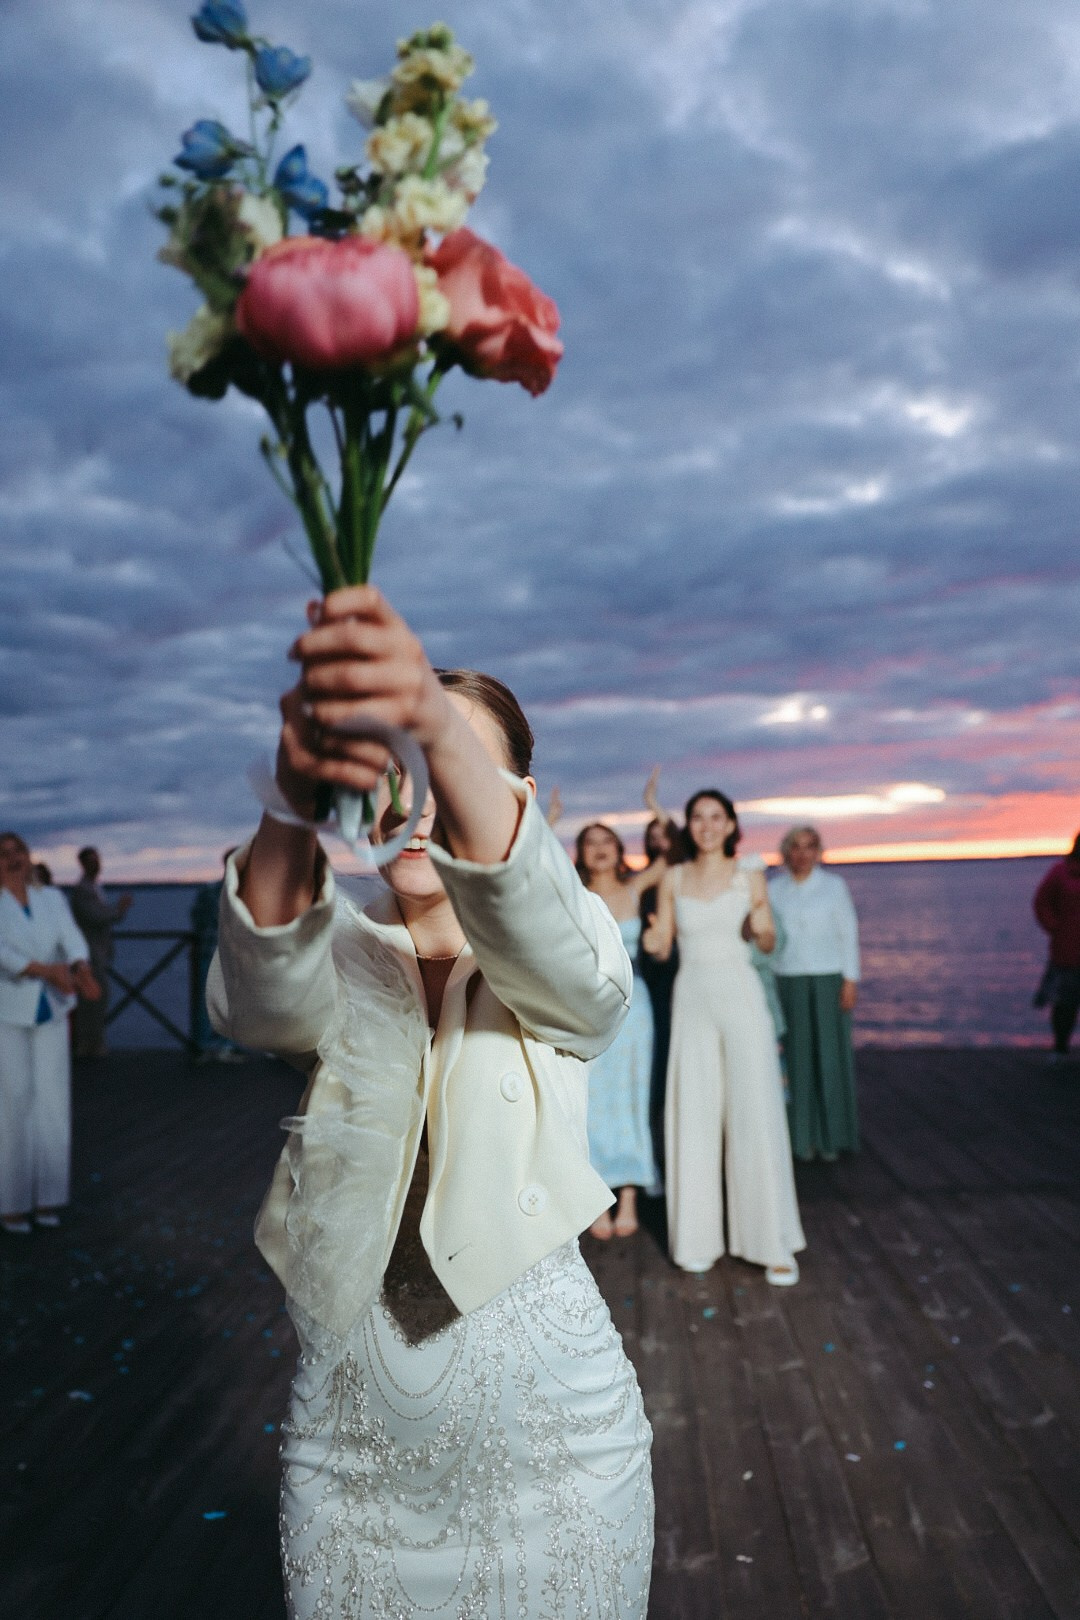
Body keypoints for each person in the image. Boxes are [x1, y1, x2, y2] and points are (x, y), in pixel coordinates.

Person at [207, 587, 654, 1619]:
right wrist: (288, 797)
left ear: (519, 798)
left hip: (558, 1455)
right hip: (349, 1461)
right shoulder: (342, 946)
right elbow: (258, 999)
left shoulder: (572, 930)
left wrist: (428, 713)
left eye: (446, 764)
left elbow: (556, 959)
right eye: (396, 770)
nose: (417, 802)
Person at [645, 791, 804, 1285]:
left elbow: (769, 939)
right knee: (693, 1112)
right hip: (691, 999)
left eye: (717, 817)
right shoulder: (672, 878)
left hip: (740, 997)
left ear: (731, 824)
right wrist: (652, 943)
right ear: (688, 825)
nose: (707, 825)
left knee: (753, 1110)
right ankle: (695, 1238)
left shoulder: (749, 872)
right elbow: (663, 944)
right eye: (698, 817)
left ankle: (771, 1242)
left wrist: (762, 930)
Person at [0, 831, 100, 1234]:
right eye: (3, 854)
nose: (12, 859)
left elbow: (71, 937)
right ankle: (11, 1202)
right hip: (8, 1011)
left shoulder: (51, 898)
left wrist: (82, 968)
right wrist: (45, 971)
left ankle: (47, 1198)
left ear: (28, 856)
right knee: (14, 1103)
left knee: (53, 1104)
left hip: (53, 1009)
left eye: (18, 851)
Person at [574, 822, 662, 1239]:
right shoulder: (571, 894)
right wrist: (548, 820)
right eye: (590, 843)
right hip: (588, 1008)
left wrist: (658, 813)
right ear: (580, 853)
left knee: (631, 1095)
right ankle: (596, 1199)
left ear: (620, 848)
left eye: (607, 841)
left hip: (634, 1009)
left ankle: (628, 1193)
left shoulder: (634, 888)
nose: (600, 849)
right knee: (589, 1100)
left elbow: (673, 859)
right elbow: (529, 861)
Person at [769, 826, 860, 1160]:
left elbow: (847, 934)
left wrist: (850, 980)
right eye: (795, 847)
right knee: (795, 1062)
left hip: (828, 980)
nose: (802, 853)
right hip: (788, 981)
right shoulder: (774, 889)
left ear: (819, 851)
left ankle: (832, 1138)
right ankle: (800, 1139)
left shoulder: (834, 887)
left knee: (830, 1059)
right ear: (786, 851)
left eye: (809, 847)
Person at [68, 846, 132, 1059]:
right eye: (91, 861)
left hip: (96, 953)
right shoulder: (84, 889)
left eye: (97, 860)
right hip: (89, 954)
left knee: (96, 1000)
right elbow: (96, 917)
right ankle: (89, 1045)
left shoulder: (93, 887)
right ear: (83, 864)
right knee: (93, 1000)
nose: (96, 865)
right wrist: (120, 909)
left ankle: (91, 1043)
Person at [190, 849, 245, 1063]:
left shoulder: (208, 891)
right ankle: (221, 1046)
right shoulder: (234, 892)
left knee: (208, 1003)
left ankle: (205, 1045)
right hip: (224, 954)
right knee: (225, 1003)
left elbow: (195, 918)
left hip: (206, 950)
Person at [1033, 833, 1080, 1061]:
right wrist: (1056, 928)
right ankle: (1060, 1048)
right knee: (1064, 1004)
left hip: (1066, 948)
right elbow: (1041, 903)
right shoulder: (1060, 872)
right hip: (1067, 952)